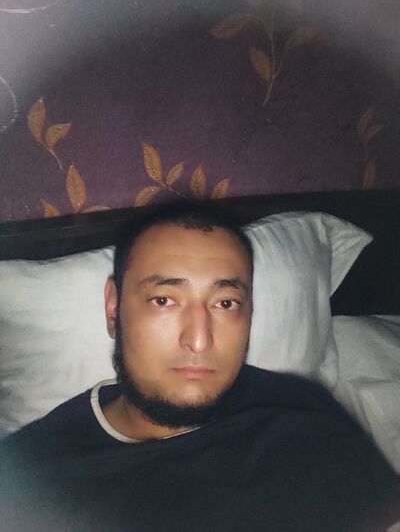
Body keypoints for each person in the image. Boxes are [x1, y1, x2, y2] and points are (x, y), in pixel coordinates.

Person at [0, 201, 399, 532]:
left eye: (225, 303)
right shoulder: (27, 480)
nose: (199, 340)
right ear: (114, 308)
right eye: (163, 300)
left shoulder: (302, 408)